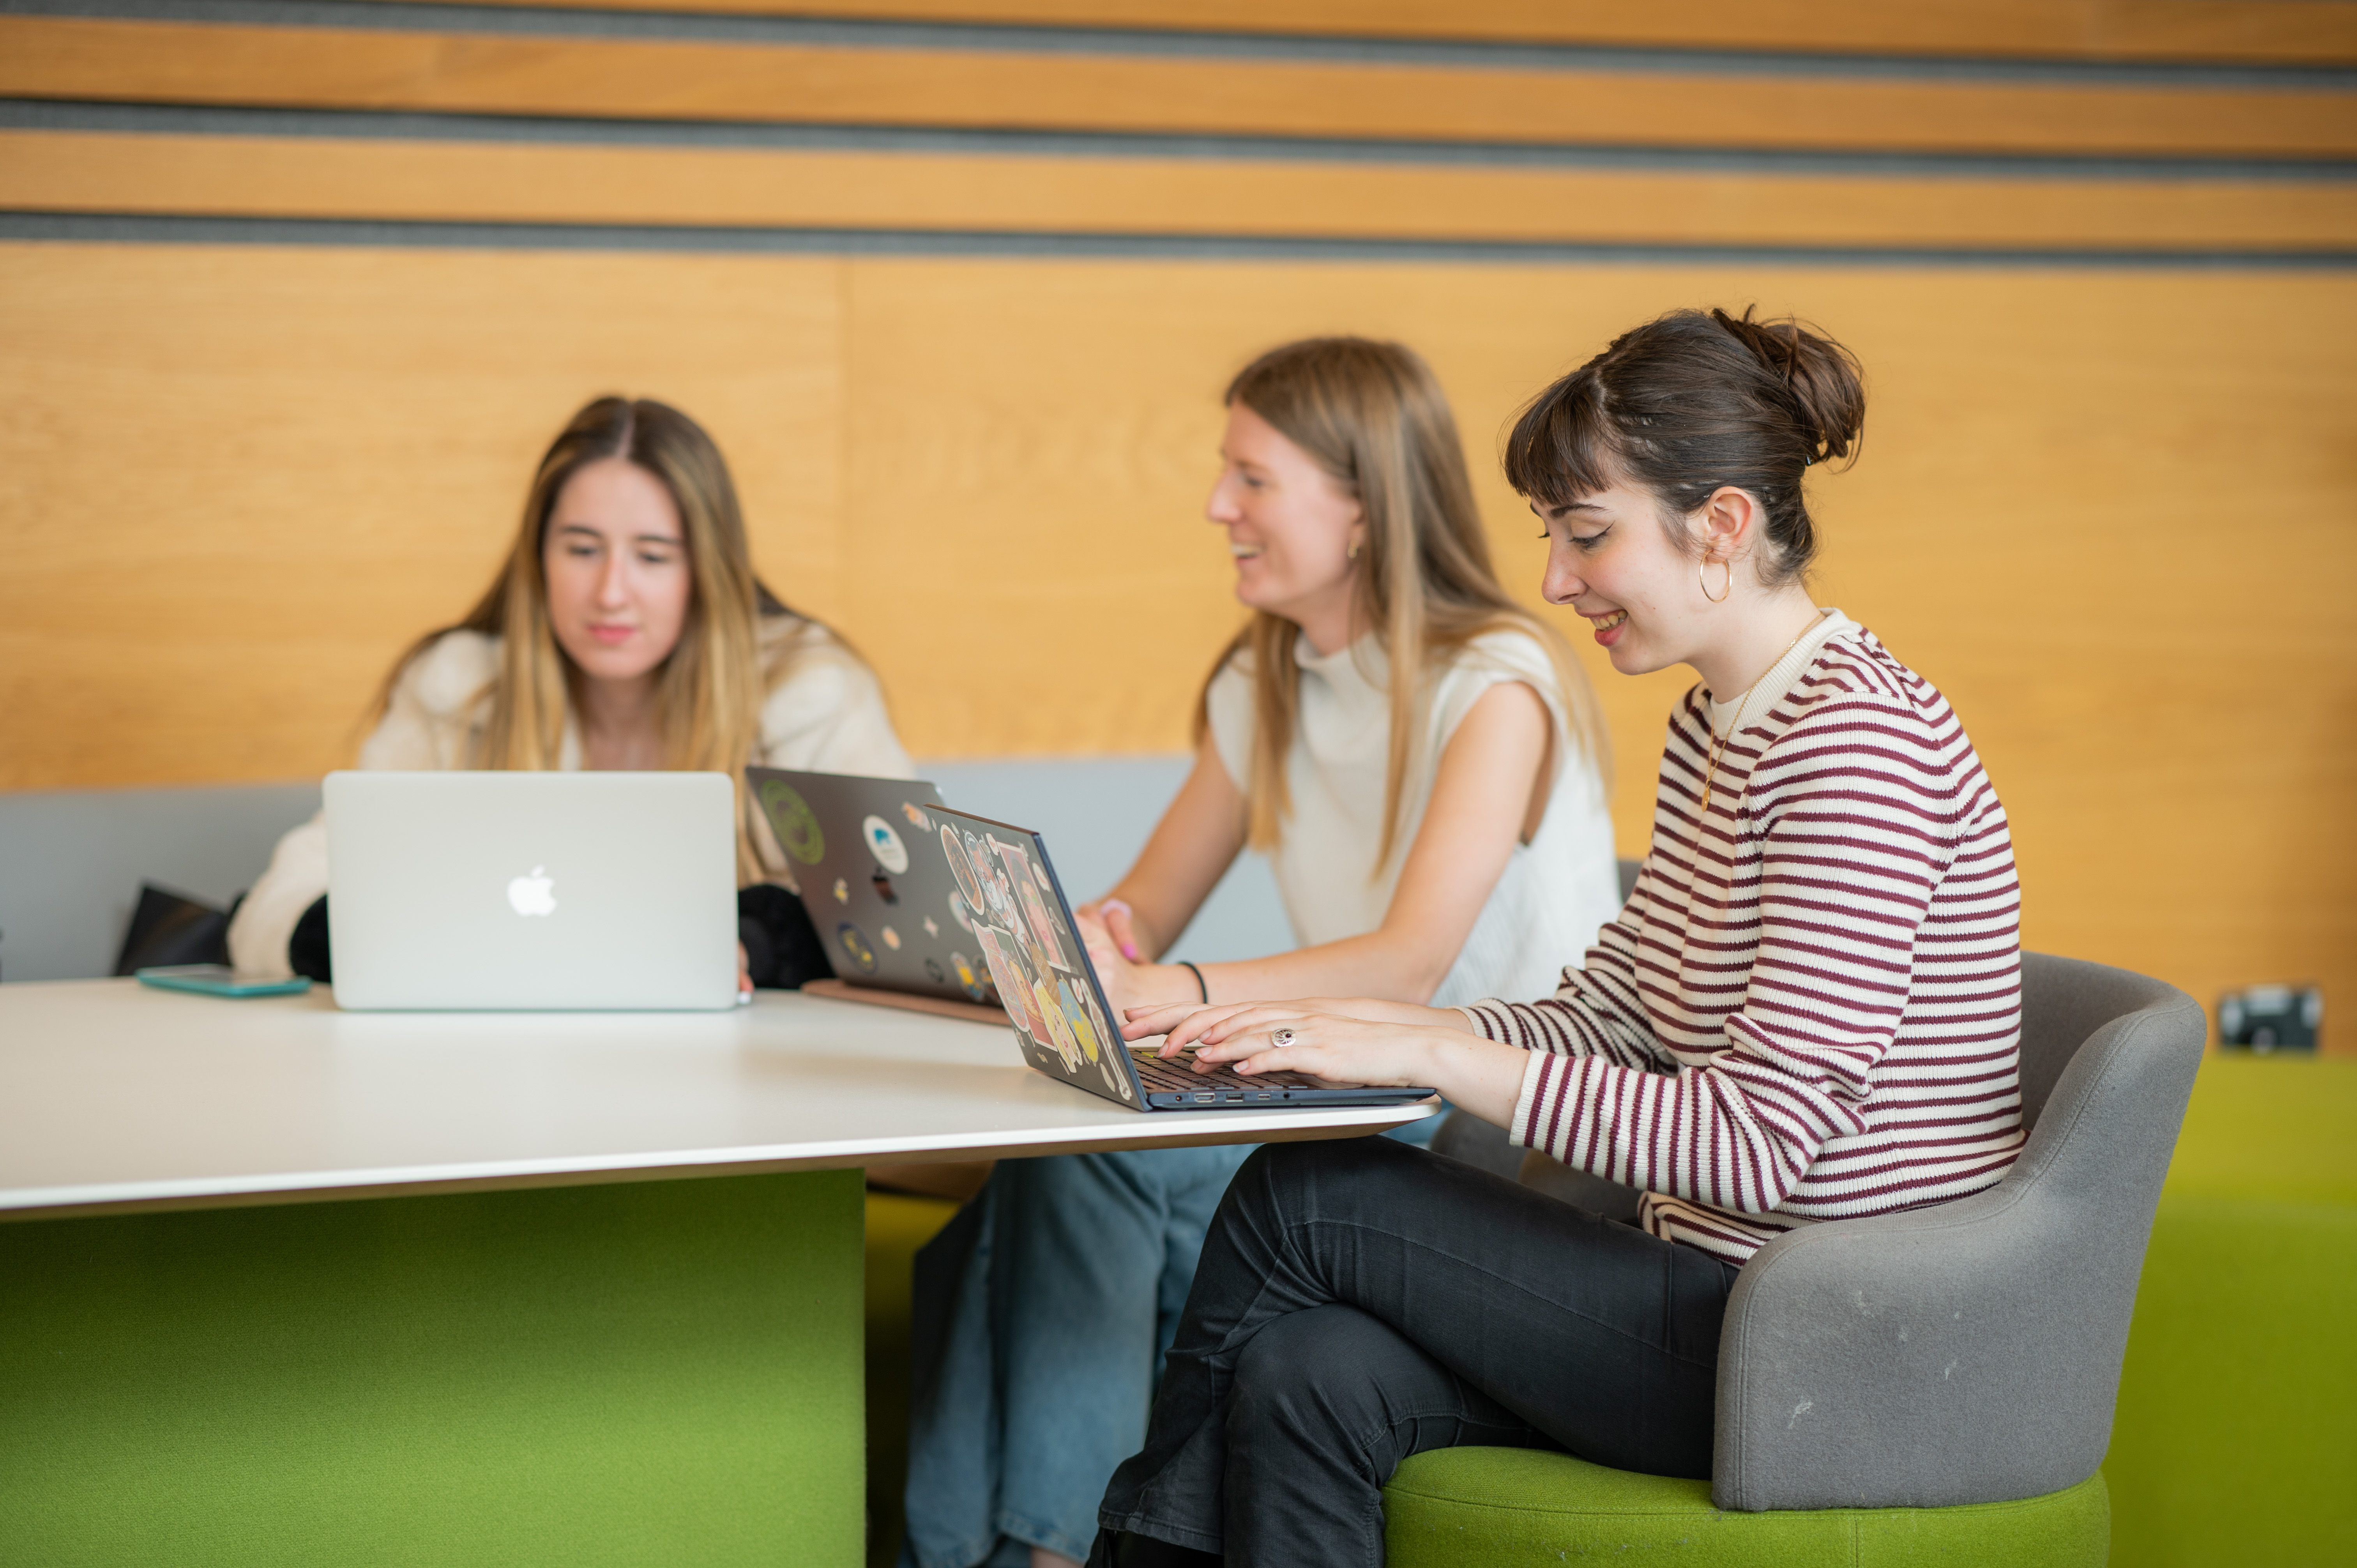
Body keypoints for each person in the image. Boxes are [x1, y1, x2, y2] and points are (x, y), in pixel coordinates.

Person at [1090, 308, 2029, 1567]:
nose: (1552, 581)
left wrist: (1435, 1060)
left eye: (1587, 535)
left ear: (1721, 530)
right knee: (1303, 1370)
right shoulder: (1722, 724)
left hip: (1816, 1342)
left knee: (1303, 1195)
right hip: (1715, 1301)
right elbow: (1616, 1014)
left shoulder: (1851, 751)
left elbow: (1754, 1144)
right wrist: (1381, 1032)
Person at [901, 338, 1622, 1568]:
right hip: (1349, 1079)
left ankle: (1049, 1548)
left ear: (1360, 505)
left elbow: (1406, 967)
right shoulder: (1268, 676)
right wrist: (1078, 947)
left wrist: (1163, 993)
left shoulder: (1496, 684)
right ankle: (1002, 1547)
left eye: (1251, 479)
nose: (1216, 507)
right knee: (1061, 1155)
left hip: (1482, 1106)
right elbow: (1147, 907)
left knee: (1097, 1169)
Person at [226, 396, 912, 986]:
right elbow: (277, 906)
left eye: (652, 556)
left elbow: (904, 915)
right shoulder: (458, 694)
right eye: (582, 550)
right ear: (539, 561)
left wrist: (758, 945)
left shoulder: (810, 696)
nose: (611, 593)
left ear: (706, 572)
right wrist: (397, 938)